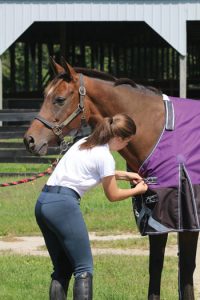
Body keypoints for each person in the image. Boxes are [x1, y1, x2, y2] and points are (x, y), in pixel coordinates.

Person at [35, 113, 148, 300]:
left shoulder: (86, 142)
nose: (126, 146)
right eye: (127, 142)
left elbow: (95, 169)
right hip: (63, 206)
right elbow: (113, 195)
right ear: (119, 138)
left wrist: (125, 175)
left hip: (43, 202)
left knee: (62, 268)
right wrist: (138, 190)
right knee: (83, 268)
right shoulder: (105, 157)